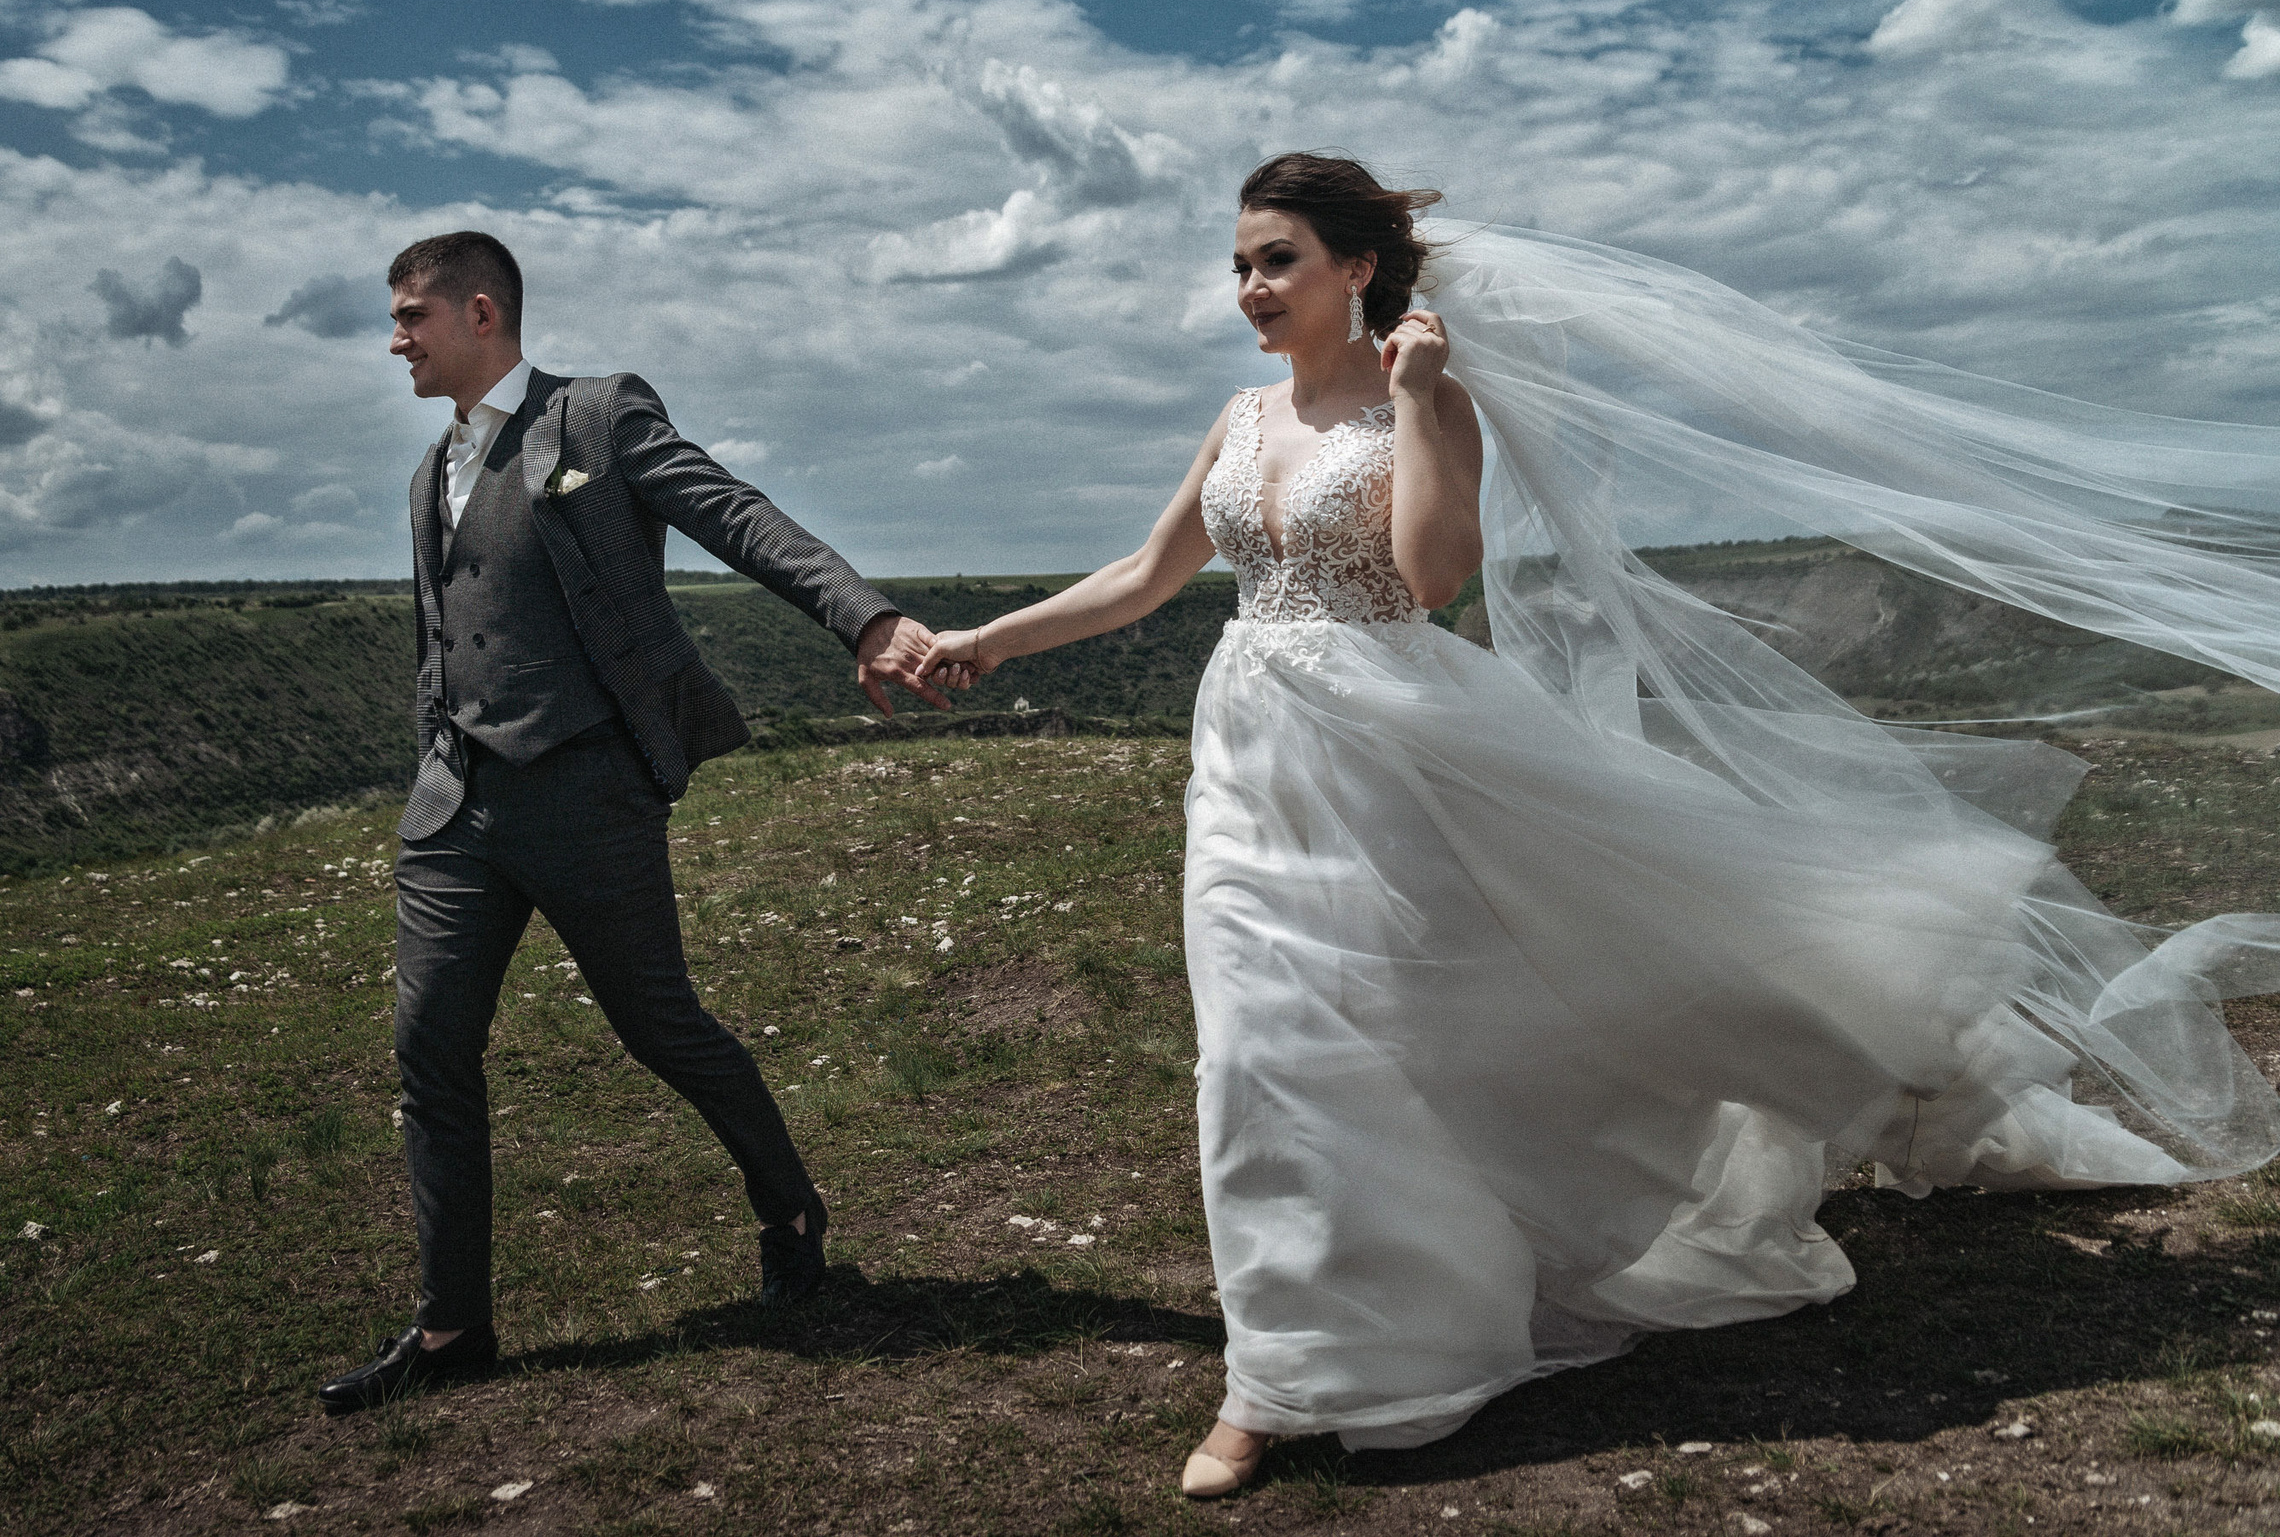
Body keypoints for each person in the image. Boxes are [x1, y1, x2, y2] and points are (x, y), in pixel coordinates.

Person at [919, 154, 2280, 1496]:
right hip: (1249, 754)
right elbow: (1148, 574)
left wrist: (1419, 398)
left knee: (1417, 1033)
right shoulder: (1237, 417)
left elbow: (1431, 580)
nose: (1250, 287)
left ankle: (1441, 1302)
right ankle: (1279, 1377)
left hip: (1391, 739)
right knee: (1255, 1051)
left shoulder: (1424, 406)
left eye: (1276, 259)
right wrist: (990, 638)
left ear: (1358, 268)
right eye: (1239, 264)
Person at [321, 230, 952, 1414]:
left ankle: (788, 1205)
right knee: (430, 1051)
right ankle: (454, 1327)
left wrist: (863, 619)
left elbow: (735, 516)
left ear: (480, 313)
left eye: (411, 316)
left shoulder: (597, 417)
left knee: (658, 1027)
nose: (394, 339)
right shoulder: (427, 475)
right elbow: (443, 633)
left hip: (584, 793)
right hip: (455, 808)